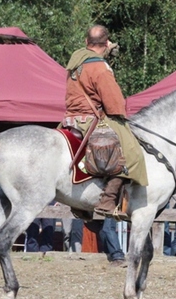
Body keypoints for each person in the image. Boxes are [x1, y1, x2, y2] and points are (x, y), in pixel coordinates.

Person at [62, 24, 148, 217]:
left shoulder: (75, 62)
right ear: (106, 43)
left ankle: (78, 203)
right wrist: (120, 115)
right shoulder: (100, 68)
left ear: (86, 42)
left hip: (69, 120)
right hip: (91, 120)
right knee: (133, 154)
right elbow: (114, 103)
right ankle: (108, 200)